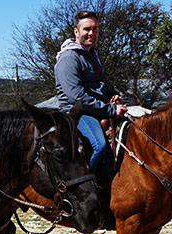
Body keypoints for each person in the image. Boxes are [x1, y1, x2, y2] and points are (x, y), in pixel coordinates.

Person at [54, 11, 129, 171]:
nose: (91, 33)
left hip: (96, 110)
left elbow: (100, 85)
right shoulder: (69, 58)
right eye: (87, 29)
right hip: (77, 113)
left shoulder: (92, 55)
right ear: (76, 32)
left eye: (95, 29)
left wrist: (112, 95)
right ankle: (83, 188)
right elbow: (77, 97)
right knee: (99, 145)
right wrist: (111, 109)